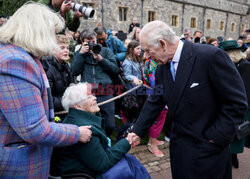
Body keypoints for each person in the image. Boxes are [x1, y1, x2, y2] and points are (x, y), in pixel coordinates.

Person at [128, 20, 248, 179]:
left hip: (209, 151)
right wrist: (137, 130)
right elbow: (155, 101)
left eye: (148, 50)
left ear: (163, 44)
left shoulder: (210, 56)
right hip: (180, 149)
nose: (145, 56)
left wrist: (215, 138)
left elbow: (237, 103)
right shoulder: (162, 67)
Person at [0, 2, 92, 178]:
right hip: (18, 166)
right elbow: (34, 129)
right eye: (52, 32)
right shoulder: (14, 62)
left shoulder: (23, 56)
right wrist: (76, 132)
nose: (53, 39)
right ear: (38, 32)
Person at [54, 83, 150, 179]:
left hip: (88, 167)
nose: (95, 98)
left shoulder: (77, 118)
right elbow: (102, 164)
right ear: (77, 106)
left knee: (130, 161)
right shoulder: (84, 129)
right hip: (87, 174)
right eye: (89, 97)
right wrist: (127, 141)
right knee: (130, 167)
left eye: (93, 95)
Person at [71, 29, 120, 137]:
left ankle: (106, 141)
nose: (92, 44)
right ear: (83, 42)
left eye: (93, 41)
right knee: (90, 123)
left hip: (106, 91)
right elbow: (74, 71)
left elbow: (115, 70)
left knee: (110, 124)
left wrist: (100, 59)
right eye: (88, 42)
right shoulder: (80, 53)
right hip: (88, 92)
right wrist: (81, 54)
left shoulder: (106, 51)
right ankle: (96, 144)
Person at [219, 40, 250, 168]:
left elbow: (246, 89)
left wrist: (242, 109)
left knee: (238, 133)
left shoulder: (245, 65)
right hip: (229, 104)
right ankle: (229, 157)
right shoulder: (231, 64)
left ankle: (233, 157)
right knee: (228, 132)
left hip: (242, 106)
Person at [41, 34, 73, 119]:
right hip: (54, 114)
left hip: (66, 111)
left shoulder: (67, 66)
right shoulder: (48, 70)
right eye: (62, 48)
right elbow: (47, 98)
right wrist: (68, 102)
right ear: (53, 50)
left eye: (67, 48)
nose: (66, 51)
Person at [143, 57, 168, 157]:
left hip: (156, 94)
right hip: (158, 95)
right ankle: (152, 145)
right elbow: (154, 83)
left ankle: (152, 140)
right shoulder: (153, 63)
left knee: (158, 119)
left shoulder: (150, 61)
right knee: (157, 120)